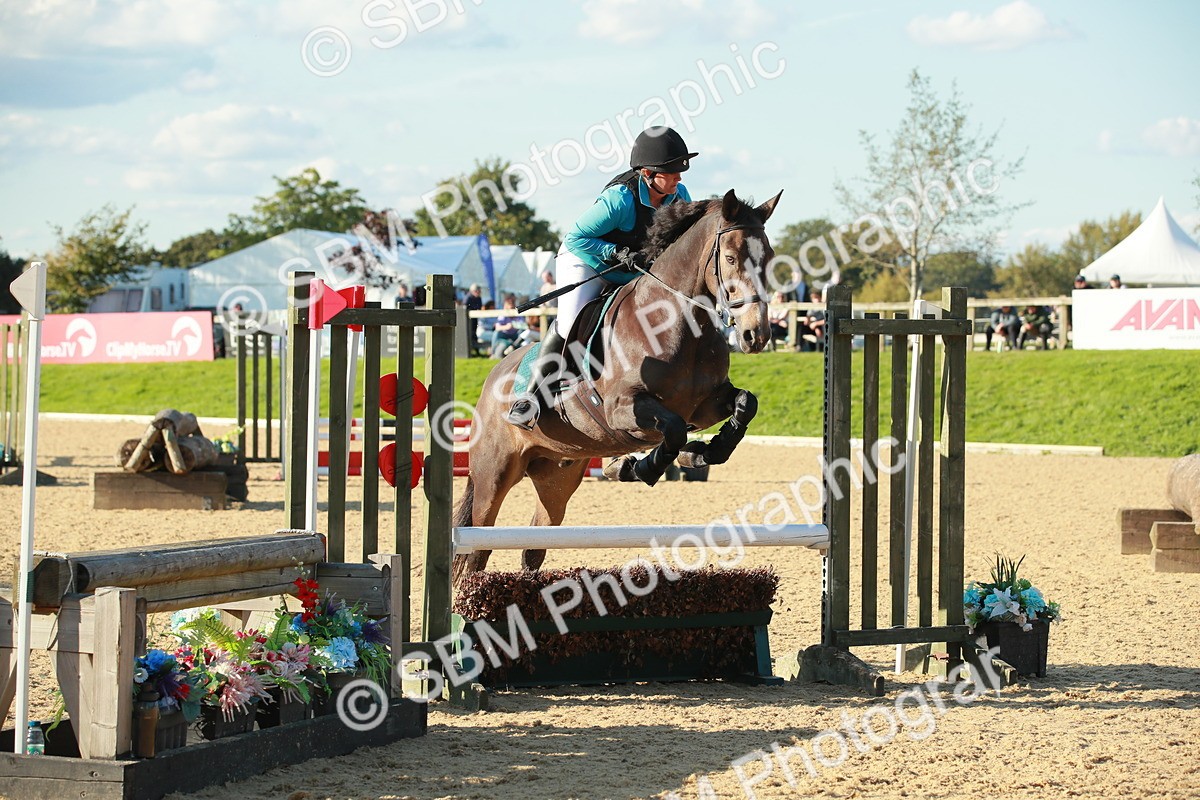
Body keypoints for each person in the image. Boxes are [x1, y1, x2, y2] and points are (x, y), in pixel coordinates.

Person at [505, 125, 698, 427]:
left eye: (679, 171)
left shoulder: (679, 196)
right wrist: (614, 253)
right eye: (671, 172)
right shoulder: (620, 199)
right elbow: (576, 238)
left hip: (631, 269)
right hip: (588, 261)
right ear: (647, 173)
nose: (679, 178)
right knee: (570, 321)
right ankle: (531, 398)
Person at [464, 283, 484, 355]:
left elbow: (479, 307)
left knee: (474, 333)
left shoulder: (478, 298)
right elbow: (465, 307)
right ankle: (472, 350)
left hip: (475, 318)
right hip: (467, 320)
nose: (479, 293)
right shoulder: (468, 297)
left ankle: (476, 350)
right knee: (469, 333)